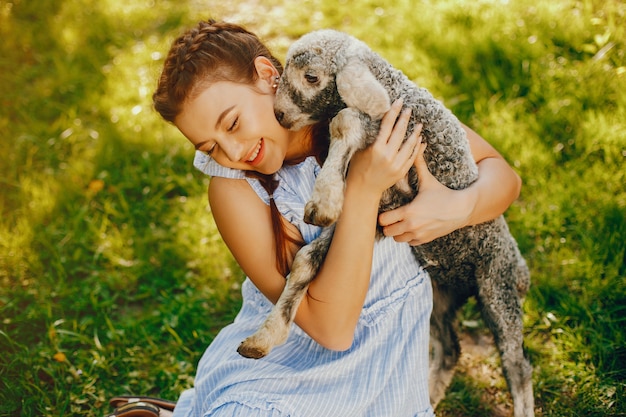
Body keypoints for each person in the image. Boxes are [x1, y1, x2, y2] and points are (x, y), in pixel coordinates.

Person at [147, 19, 521, 417]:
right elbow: (332, 329)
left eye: (233, 124)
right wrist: (362, 189)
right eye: (211, 146)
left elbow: (500, 174)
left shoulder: (365, 107)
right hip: (277, 383)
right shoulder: (235, 190)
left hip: (385, 389)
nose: (234, 152)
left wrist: (456, 207)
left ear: (268, 75)